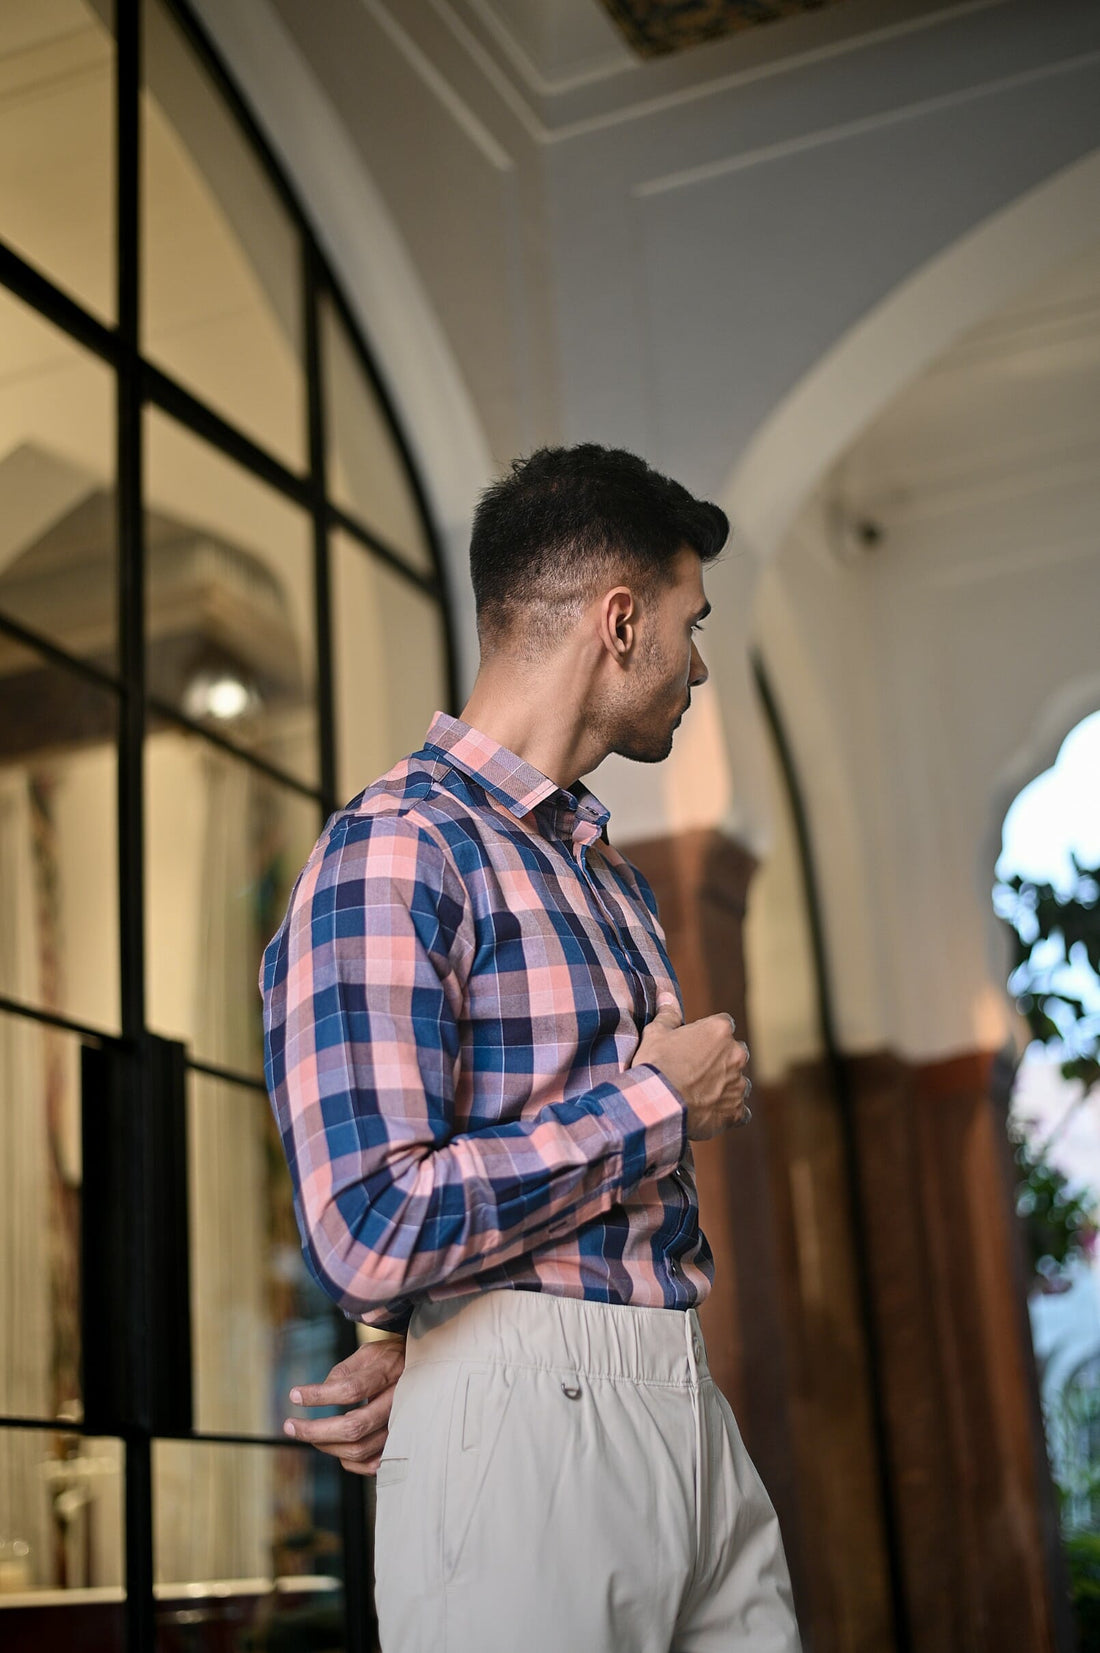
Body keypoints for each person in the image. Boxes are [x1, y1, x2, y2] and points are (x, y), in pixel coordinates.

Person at [260, 444, 802, 1652]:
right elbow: (367, 1226)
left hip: (680, 1392)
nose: (697, 661)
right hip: (533, 1431)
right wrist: (657, 1107)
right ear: (619, 621)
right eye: (686, 621)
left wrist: (413, 1346)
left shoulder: (603, 874)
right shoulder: (395, 847)